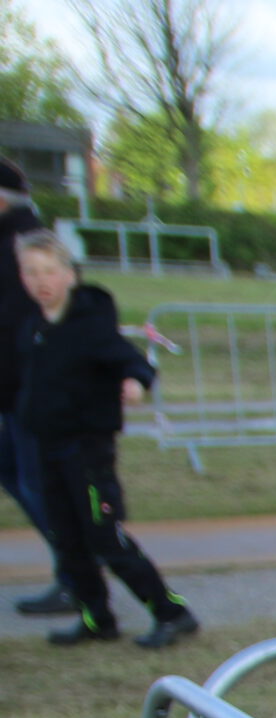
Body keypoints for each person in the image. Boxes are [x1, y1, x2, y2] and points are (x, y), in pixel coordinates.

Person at [16, 229, 196, 647]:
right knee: (67, 539)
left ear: (69, 274)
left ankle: (172, 613)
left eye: (49, 271)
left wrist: (135, 382)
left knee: (105, 538)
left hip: (86, 451)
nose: (41, 281)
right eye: (31, 272)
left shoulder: (91, 325)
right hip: (47, 447)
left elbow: (133, 361)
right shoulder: (32, 328)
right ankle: (97, 619)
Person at [0, 159, 62, 615]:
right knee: (16, 472)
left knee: (39, 484)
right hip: (18, 386)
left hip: (31, 387)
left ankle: (77, 574)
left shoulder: (24, 246)